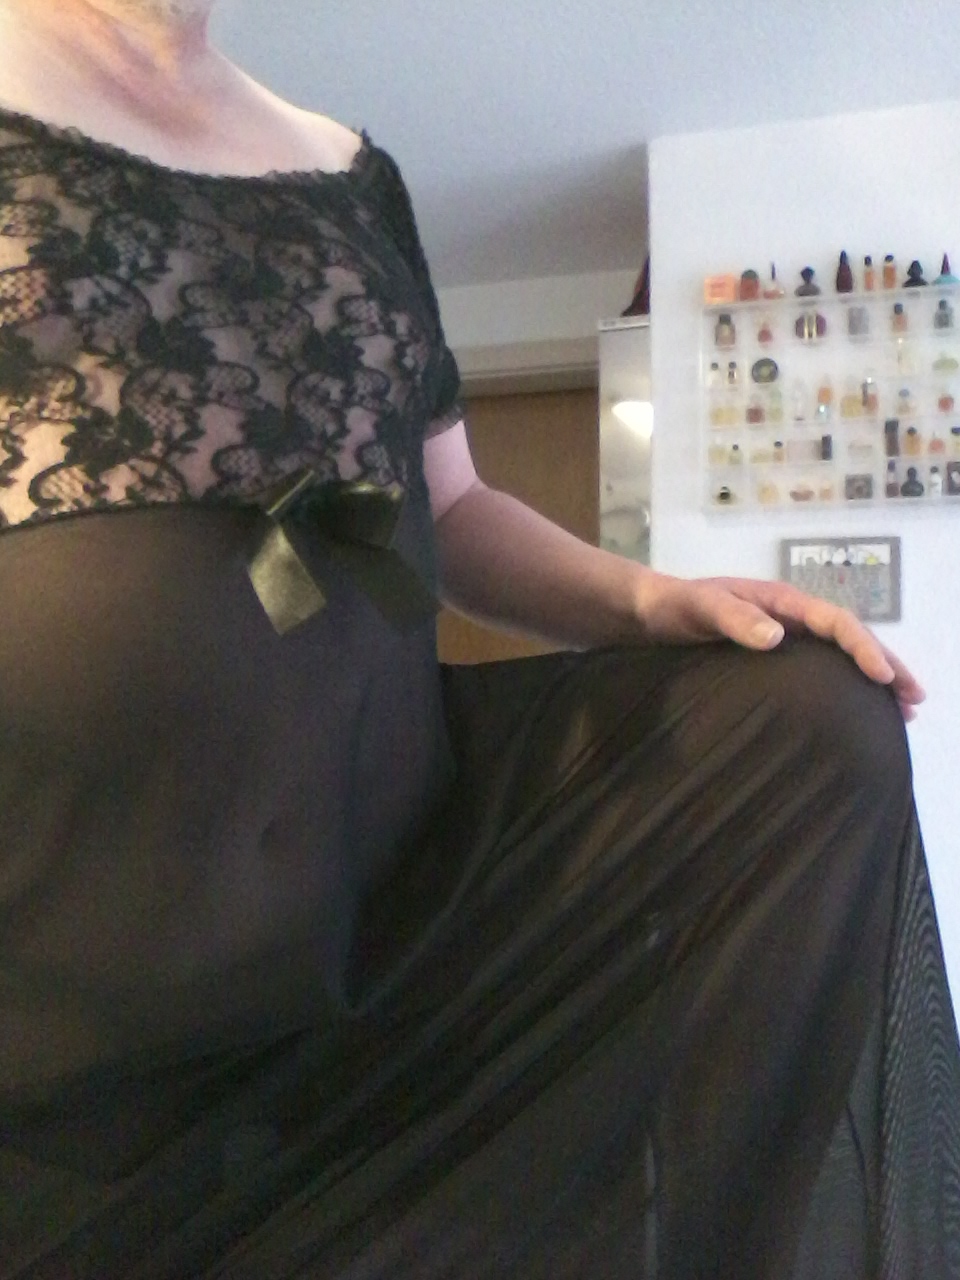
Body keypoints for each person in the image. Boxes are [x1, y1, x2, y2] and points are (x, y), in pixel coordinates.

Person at [0, 2, 956, 1277]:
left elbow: (450, 506)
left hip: (398, 915)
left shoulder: (349, 173)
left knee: (807, 717)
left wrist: (646, 600)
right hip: (76, 1000)